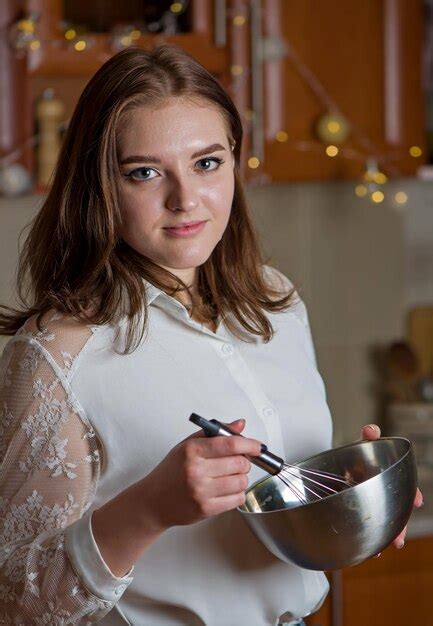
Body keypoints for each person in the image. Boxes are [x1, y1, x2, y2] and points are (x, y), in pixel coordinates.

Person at [0, 45, 422, 626]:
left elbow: (271, 504)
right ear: (98, 185)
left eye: (207, 162)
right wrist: (148, 508)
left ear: (234, 162)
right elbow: (18, 603)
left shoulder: (274, 302)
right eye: (144, 172)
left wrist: (351, 499)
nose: (185, 199)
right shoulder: (55, 356)